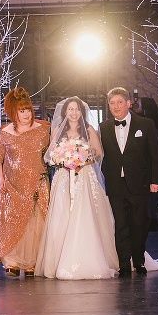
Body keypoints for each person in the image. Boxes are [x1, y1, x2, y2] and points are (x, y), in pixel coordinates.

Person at [35, 97, 119, 279]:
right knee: (62, 214)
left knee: (85, 213)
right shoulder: (57, 130)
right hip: (64, 177)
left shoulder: (88, 129)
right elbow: (50, 155)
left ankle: (88, 258)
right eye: (70, 109)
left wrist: (82, 159)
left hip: (84, 176)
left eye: (77, 109)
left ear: (82, 112)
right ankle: (58, 261)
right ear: (65, 112)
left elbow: (98, 153)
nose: (74, 113)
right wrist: (63, 160)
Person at [99, 87, 158, 276]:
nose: (116, 106)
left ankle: (139, 261)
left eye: (120, 102)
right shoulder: (104, 127)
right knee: (121, 225)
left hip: (140, 183)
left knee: (139, 224)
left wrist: (155, 180)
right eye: (112, 103)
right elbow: (102, 156)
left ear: (128, 103)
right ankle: (124, 265)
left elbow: (155, 155)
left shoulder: (146, 124)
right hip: (115, 184)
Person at [0, 88, 51, 278]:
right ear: (13, 112)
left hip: (37, 183)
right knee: (12, 222)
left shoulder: (43, 130)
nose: (26, 114)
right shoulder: (5, 132)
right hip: (13, 185)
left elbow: (54, 152)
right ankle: (13, 262)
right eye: (21, 111)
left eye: (28, 110)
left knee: (36, 224)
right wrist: (0, 177)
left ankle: (32, 263)